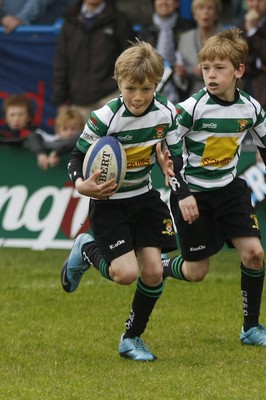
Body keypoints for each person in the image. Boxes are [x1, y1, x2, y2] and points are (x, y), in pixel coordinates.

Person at [60, 40, 180, 361]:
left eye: (146, 88)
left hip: (145, 198)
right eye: (131, 88)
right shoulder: (105, 117)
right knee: (124, 274)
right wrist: (83, 185)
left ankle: (131, 339)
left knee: (153, 272)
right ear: (118, 83)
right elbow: (75, 156)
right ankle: (86, 249)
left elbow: (175, 153)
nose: (138, 97)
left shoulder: (166, 113)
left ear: (156, 84)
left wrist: (172, 168)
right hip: (110, 202)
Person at [157, 28, 266, 346]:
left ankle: (251, 328)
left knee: (255, 255)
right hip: (194, 195)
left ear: (239, 71)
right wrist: (182, 193)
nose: (211, 75)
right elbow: (165, 149)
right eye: (206, 68)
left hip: (231, 192)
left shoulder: (251, 109)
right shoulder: (191, 108)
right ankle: (159, 266)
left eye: (219, 68)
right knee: (196, 272)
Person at [52, 0, 135, 122]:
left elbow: (130, 61)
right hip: (79, 102)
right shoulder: (70, 21)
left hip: (112, 98)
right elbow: (61, 63)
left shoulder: (119, 20)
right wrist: (60, 101)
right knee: (78, 141)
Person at [140, 0, 195, 104]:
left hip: (184, 93)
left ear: (177, 3)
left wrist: (187, 70)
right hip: (149, 93)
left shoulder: (189, 28)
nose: (164, 2)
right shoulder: (144, 30)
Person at [174, 0, 224, 96]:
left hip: (221, 96)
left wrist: (208, 71)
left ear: (216, 14)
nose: (205, 12)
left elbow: (234, 71)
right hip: (193, 97)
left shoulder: (226, 38)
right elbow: (178, 75)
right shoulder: (185, 38)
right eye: (200, 8)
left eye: (210, 8)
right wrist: (181, 74)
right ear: (194, 15)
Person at [238, 0, 266, 112]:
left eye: (260, 0)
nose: (255, 4)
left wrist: (253, 31)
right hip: (244, 94)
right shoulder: (239, 28)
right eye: (250, 0)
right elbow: (242, 61)